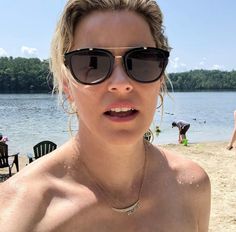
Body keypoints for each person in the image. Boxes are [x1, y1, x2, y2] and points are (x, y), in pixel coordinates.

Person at [0, 1, 211, 231]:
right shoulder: (19, 213)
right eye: (93, 63)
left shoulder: (192, 187)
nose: (121, 84)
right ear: (67, 85)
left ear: (160, 79)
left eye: (141, 61)